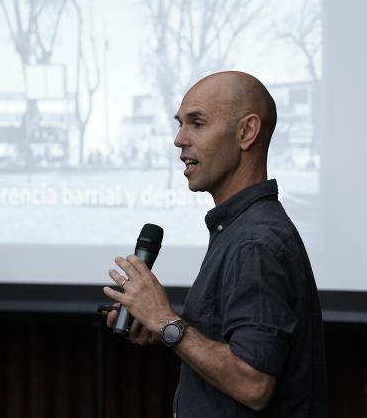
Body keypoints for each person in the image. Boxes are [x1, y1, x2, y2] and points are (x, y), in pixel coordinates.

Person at [104, 71, 327, 417]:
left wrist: (165, 320)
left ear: (246, 133)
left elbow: (253, 384)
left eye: (197, 123)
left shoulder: (255, 242)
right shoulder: (240, 229)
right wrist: (162, 327)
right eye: (180, 124)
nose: (179, 139)